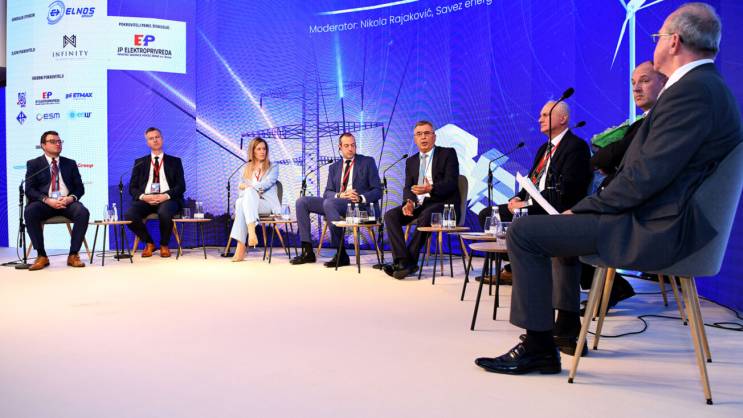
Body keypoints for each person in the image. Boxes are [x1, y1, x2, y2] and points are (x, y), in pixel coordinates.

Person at [476, 2, 742, 375]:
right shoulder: (704, 88)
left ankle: (539, 348)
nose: (655, 43)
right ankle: (559, 331)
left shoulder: (692, 92)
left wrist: (585, 207)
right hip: (658, 216)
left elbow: (645, 176)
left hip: (659, 226)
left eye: (658, 36)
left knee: (525, 233)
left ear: (674, 42)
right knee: (553, 229)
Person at [581, 61, 669, 312]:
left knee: (569, 224)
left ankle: (610, 287)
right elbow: (613, 157)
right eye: (633, 83)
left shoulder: (658, 121)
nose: (636, 89)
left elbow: (609, 156)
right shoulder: (642, 122)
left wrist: (608, 164)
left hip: (644, 212)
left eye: (645, 81)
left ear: (664, 82)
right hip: (624, 201)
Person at [477, 101, 592, 289]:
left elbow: (569, 189)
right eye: (540, 115)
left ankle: (526, 269)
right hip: (532, 204)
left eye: (545, 115)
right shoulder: (544, 149)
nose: (539, 119)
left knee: (519, 223)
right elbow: (532, 181)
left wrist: (527, 204)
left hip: (556, 208)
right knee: (488, 215)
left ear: (563, 118)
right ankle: (516, 268)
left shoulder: (576, 146)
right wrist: (517, 197)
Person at [290, 132, 382, 267]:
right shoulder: (334, 167)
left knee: (329, 203)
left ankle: (341, 253)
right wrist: (340, 195)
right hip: (336, 202)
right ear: (340, 147)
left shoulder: (367, 162)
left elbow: (378, 190)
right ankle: (307, 251)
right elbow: (327, 193)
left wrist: (360, 197)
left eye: (353, 145)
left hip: (358, 205)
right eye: (346, 146)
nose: (350, 149)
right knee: (302, 202)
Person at [383, 121, 461, 280]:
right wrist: (409, 203)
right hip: (420, 205)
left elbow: (451, 183)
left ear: (434, 137)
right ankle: (402, 260)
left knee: (427, 215)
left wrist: (430, 188)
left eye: (427, 133)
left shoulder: (447, 154)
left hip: (444, 205)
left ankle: (409, 262)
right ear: (415, 139)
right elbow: (408, 187)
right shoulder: (411, 161)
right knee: (390, 215)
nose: (423, 137)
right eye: (419, 134)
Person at [23, 131, 90, 270]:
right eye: (53, 141)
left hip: (66, 203)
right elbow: (29, 189)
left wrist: (70, 198)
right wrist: (46, 200)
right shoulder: (34, 164)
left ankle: (73, 254)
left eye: (59, 141)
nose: (58, 144)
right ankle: (41, 255)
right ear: (43, 145)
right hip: (45, 203)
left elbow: (79, 188)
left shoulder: (70, 163)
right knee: (30, 211)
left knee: (82, 212)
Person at [125, 127, 186, 258]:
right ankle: (149, 243)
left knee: (164, 211)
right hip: (147, 199)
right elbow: (132, 188)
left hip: (168, 199)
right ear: (147, 142)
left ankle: (164, 245)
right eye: (151, 138)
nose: (155, 140)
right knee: (129, 214)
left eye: (157, 137)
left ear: (162, 139)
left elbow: (181, 186)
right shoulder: (140, 162)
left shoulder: (175, 161)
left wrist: (166, 196)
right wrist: (144, 197)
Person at [230, 137, 281, 262]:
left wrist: (249, 188)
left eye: (264, 149)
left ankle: (245, 241)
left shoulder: (273, 166)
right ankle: (247, 238)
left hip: (267, 204)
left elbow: (268, 183)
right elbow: (239, 189)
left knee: (245, 197)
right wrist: (248, 189)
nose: (262, 151)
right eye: (259, 149)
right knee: (240, 202)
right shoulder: (246, 167)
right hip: (250, 204)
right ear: (252, 151)